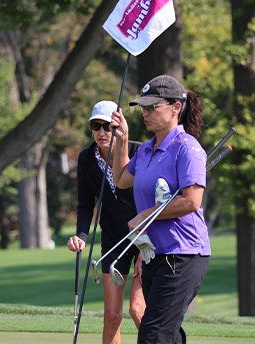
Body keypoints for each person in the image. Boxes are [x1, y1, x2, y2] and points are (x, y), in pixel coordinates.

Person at [111, 75, 209, 344]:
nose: (146, 112)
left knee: (153, 334)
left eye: (153, 106)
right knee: (167, 335)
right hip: (156, 255)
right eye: (143, 107)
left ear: (176, 107)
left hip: (183, 254)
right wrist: (122, 140)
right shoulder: (144, 151)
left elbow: (191, 201)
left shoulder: (187, 148)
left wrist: (146, 215)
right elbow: (121, 179)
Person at [67, 100, 146, 344]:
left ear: (118, 127)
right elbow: (84, 204)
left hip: (147, 237)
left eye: (108, 127)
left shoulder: (139, 152)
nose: (102, 133)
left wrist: (145, 251)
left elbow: (155, 199)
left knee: (138, 310)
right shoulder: (86, 159)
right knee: (112, 316)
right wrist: (80, 236)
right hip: (113, 238)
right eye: (96, 126)